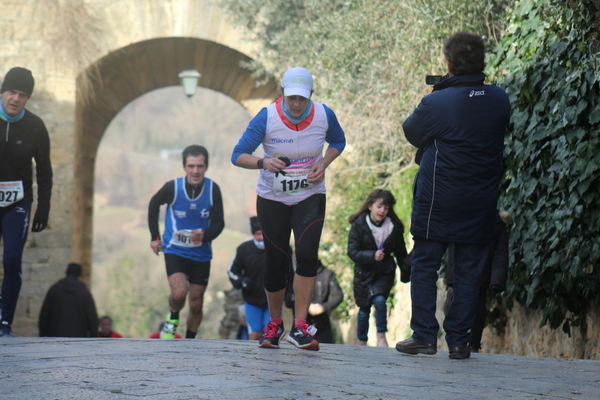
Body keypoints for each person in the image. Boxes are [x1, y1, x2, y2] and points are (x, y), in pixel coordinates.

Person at [395, 32, 510, 360]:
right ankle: (459, 341)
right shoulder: (499, 98)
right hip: (480, 199)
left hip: (438, 199)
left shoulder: (437, 102)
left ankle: (424, 336)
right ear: (482, 61)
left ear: (449, 63)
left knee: (425, 264)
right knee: (471, 269)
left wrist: (441, 90)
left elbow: (412, 132)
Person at [231, 66, 346, 351]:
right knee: (276, 262)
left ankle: (300, 326)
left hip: (309, 195)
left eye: (302, 99)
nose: (296, 104)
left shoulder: (324, 114)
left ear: (311, 96)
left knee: (307, 255)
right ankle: (275, 324)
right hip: (273, 199)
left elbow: (338, 141)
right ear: (282, 94)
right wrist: (263, 162)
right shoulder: (267, 117)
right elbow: (237, 155)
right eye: (291, 98)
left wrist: (324, 163)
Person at [148, 145, 224, 339]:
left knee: (196, 302)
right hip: (175, 249)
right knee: (180, 293)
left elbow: (219, 223)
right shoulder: (173, 187)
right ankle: (173, 318)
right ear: (184, 167)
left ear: (206, 167)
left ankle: (190, 340)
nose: (195, 171)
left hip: (201, 253)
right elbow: (154, 204)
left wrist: (204, 235)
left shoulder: (213, 189)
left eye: (200, 166)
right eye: (191, 166)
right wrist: (154, 236)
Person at [0, 67, 53, 337]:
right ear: (3, 92)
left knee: (11, 258)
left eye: (22, 94)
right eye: (11, 92)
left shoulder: (35, 126)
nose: (15, 99)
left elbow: (44, 170)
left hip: (17, 202)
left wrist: (43, 208)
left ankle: (4, 321)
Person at [348, 189, 408, 347]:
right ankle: (361, 340)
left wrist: (406, 271)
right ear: (370, 206)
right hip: (363, 274)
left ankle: (381, 336)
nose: (382, 211)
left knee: (380, 300)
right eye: (379, 206)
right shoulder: (359, 225)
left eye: (386, 208)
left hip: (384, 273)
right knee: (364, 309)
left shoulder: (394, 227)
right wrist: (371, 256)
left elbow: (401, 251)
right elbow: (352, 251)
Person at [443, 210, 510, 352]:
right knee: (453, 302)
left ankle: (473, 343)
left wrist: (497, 280)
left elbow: (500, 254)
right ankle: (456, 340)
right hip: (458, 273)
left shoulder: (497, 224)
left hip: (480, 274)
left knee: (478, 308)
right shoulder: (458, 217)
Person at [227, 217, 269, 340]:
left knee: (269, 334)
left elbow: (289, 272)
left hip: (272, 301)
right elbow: (232, 271)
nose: (260, 238)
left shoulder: (279, 248)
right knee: (254, 335)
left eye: (262, 234)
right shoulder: (244, 249)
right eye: (257, 234)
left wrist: (289, 292)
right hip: (252, 301)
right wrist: (242, 282)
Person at [38, 263, 98, 337]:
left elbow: (44, 315)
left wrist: (43, 335)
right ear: (79, 274)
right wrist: (94, 338)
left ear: (67, 272)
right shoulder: (83, 292)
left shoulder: (55, 289)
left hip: (55, 338)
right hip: (78, 339)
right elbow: (92, 318)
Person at [306, 260, 343, 344]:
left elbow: (338, 296)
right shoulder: (298, 275)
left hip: (322, 324)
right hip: (302, 324)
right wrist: (306, 307)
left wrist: (323, 307)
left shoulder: (327, 274)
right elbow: (289, 297)